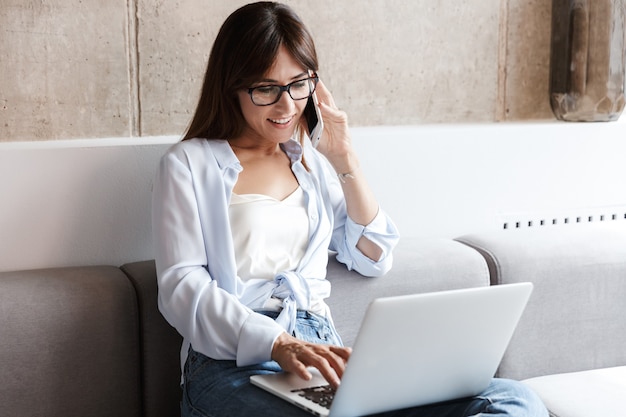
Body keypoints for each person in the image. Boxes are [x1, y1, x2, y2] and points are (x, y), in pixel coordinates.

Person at [152, 2, 548, 416]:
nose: (287, 106)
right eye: (265, 88)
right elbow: (182, 287)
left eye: (298, 84)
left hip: (324, 353)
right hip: (230, 363)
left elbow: (373, 254)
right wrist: (278, 342)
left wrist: (344, 159)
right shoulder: (188, 165)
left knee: (512, 399)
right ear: (231, 86)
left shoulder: (311, 166)